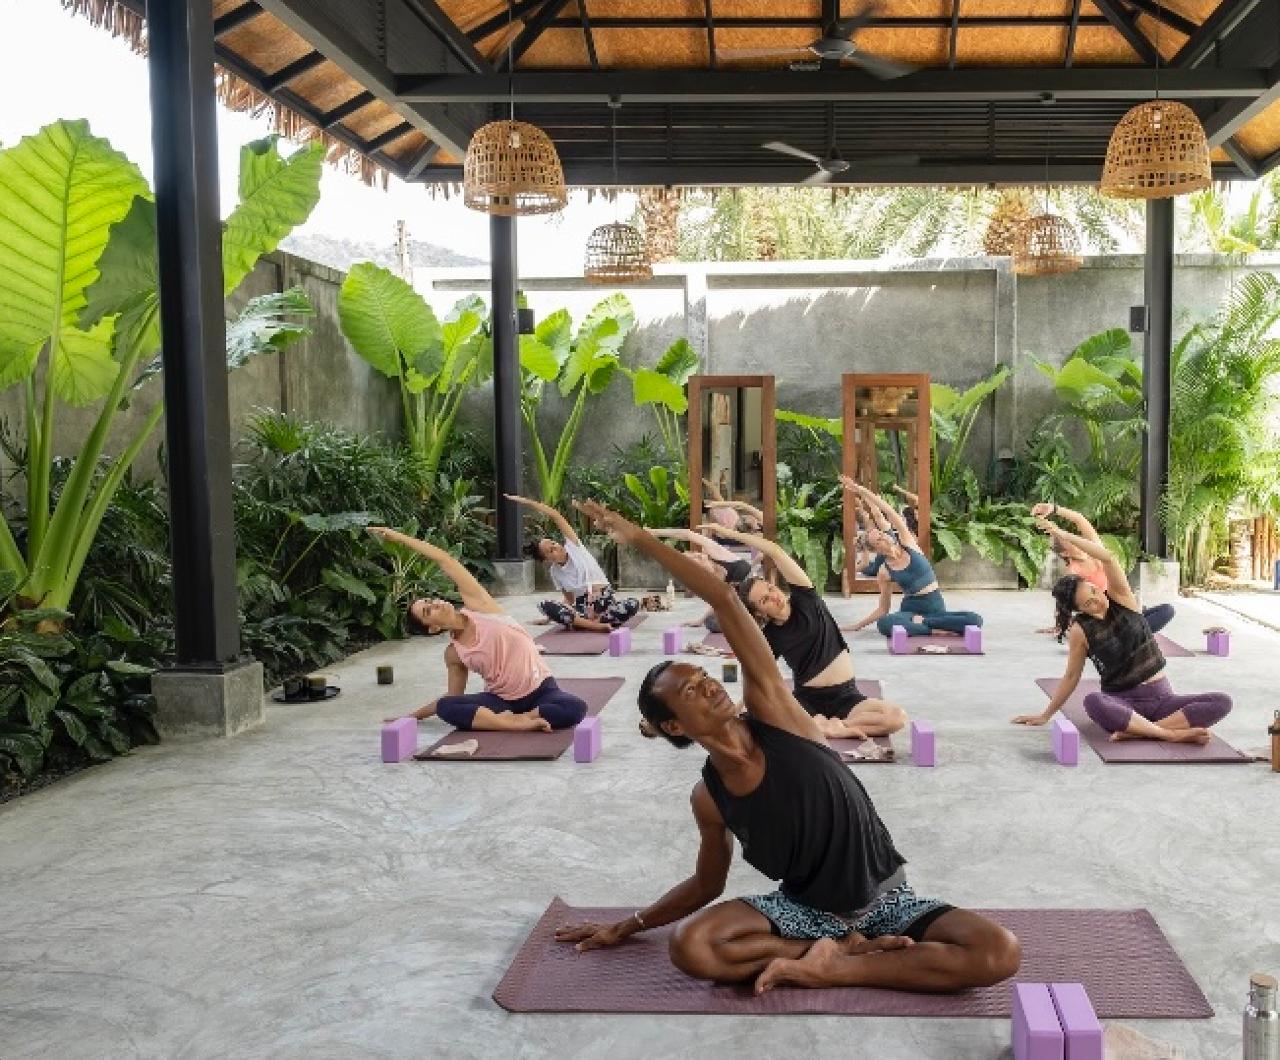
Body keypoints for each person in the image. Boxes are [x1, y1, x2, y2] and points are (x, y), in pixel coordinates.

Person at [555, 501, 1021, 997]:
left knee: (998, 952)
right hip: (802, 913)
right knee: (692, 947)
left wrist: (642, 538)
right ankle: (830, 953)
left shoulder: (774, 710)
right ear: (673, 724)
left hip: (888, 900)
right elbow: (707, 884)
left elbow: (727, 601)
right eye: (691, 692)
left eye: (705, 677)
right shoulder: (708, 798)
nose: (709, 686)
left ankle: (839, 966)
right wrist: (629, 925)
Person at [1011, 521, 1231, 743]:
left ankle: (1139, 731)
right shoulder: (1081, 630)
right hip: (1122, 703)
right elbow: (1071, 676)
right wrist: (1046, 714)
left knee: (1222, 702)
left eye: (1095, 591)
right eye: (1089, 603)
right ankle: (1168, 733)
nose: (1099, 600)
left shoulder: (1122, 598)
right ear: (1080, 610)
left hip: (1163, 699)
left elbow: (1107, 557)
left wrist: (1062, 533)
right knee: (1093, 702)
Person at [701, 523, 907, 742]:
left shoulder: (806, 599)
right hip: (806, 700)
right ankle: (819, 725)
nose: (774, 596)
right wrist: (737, 711)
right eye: (764, 600)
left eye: (770, 589)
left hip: (847, 696)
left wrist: (730, 534)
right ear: (760, 613)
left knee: (896, 717)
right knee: (761, 721)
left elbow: (775, 551)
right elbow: (758, 678)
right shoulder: (770, 636)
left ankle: (834, 727)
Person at [370, 527, 587, 734]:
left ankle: (523, 718)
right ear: (433, 628)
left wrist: (399, 538)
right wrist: (412, 717)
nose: (435, 603)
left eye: (429, 600)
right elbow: (453, 697)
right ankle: (512, 724)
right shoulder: (454, 654)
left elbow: (445, 559)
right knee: (447, 707)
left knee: (575, 707)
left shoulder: (479, 606)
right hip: (501, 701)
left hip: (541, 691)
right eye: (428, 611)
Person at [841, 479, 983, 638]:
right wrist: (857, 626)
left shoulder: (907, 542)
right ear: (877, 550)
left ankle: (924, 624)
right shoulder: (884, 571)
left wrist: (861, 490)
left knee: (975, 620)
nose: (884, 537)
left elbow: (887, 511)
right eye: (878, 540)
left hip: (935, 606)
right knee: (884, 624)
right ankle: (932, 629)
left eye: (881, 534)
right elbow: (883, 609)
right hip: (910, 610)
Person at [1030, 502, 1175, 634]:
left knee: (1167, 610)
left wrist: (1054, 509)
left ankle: (1133, 632)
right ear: (1065, 552)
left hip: (1127, 606)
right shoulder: (1073, 572)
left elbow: (1080, 519)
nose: (1076, 540)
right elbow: (1065, 601)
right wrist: (1060, 625)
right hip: (1108, 616)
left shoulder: (1096, 551)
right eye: (1070, 542)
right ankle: (1132, 633)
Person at [507, 494, 639, 632]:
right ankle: (595, 625)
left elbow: (555, 515)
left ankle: (591, 622)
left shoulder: (574, 547)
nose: (556, 547)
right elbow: (569, 600)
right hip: (583, 608)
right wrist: (549, 617)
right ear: (547, 560)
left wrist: (527, 501)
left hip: (603, 601)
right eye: (550, 551)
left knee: (632, 604)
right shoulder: (555, 572)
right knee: (544, 605)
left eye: (553, 543)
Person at [650, 527, 755, 634]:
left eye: (697, 554)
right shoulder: (714, 579)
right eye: (697, 558)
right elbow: (717, 602)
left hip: (756, 591)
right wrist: (701, 620)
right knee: (711, 622)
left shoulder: (716, 553)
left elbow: (686, 533)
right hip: (744, 604)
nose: (700, 555)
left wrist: (656, 532)